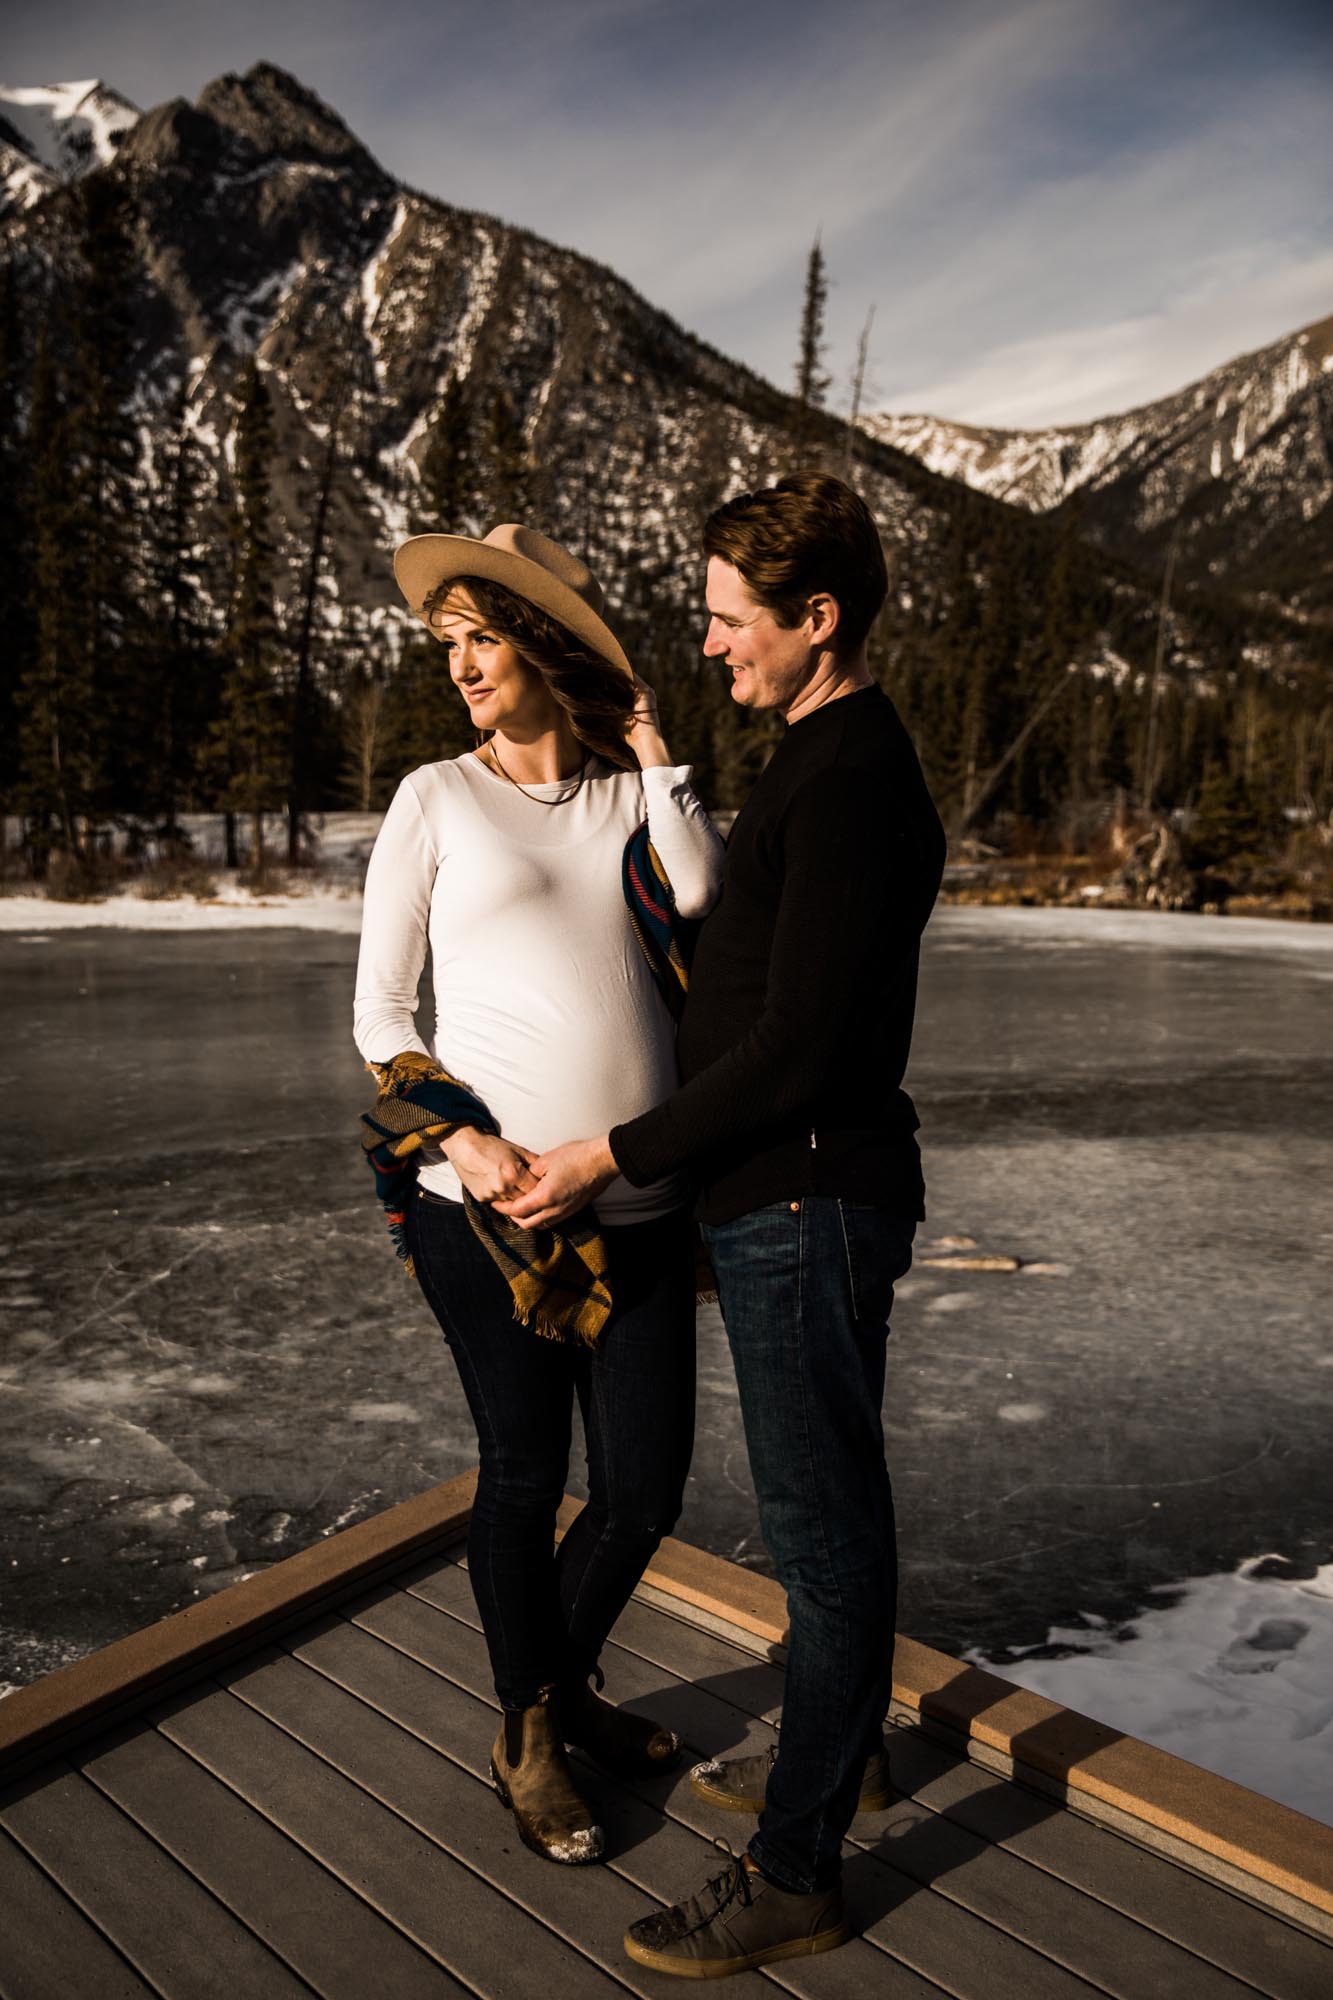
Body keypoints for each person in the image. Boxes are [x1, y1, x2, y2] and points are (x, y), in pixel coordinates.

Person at [498, 472, 947, 1973]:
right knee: (821, 1527)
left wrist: (607, 1153)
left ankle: (796, 1867)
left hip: (807, 1197)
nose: (709, 646)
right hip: (780, 1198)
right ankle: (848, 1751)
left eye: (726, 620)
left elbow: (794, 1049)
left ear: (817, 620)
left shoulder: (852, 780)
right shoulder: (814, 762)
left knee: (823, 1539)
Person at [353, 522, 724, 1867]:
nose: (457, 666)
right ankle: (530, 1732)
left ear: (544, 647)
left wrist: (650, 743)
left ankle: (560, 1697)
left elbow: (704, 896)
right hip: (492, 1218)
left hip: (637, 1207)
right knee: (523, 1480)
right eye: (445, 644)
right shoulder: (435, 797)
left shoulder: (633, 801)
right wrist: (464, 1149)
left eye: (482, 638)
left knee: (640, 1494)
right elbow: (380, 1011)